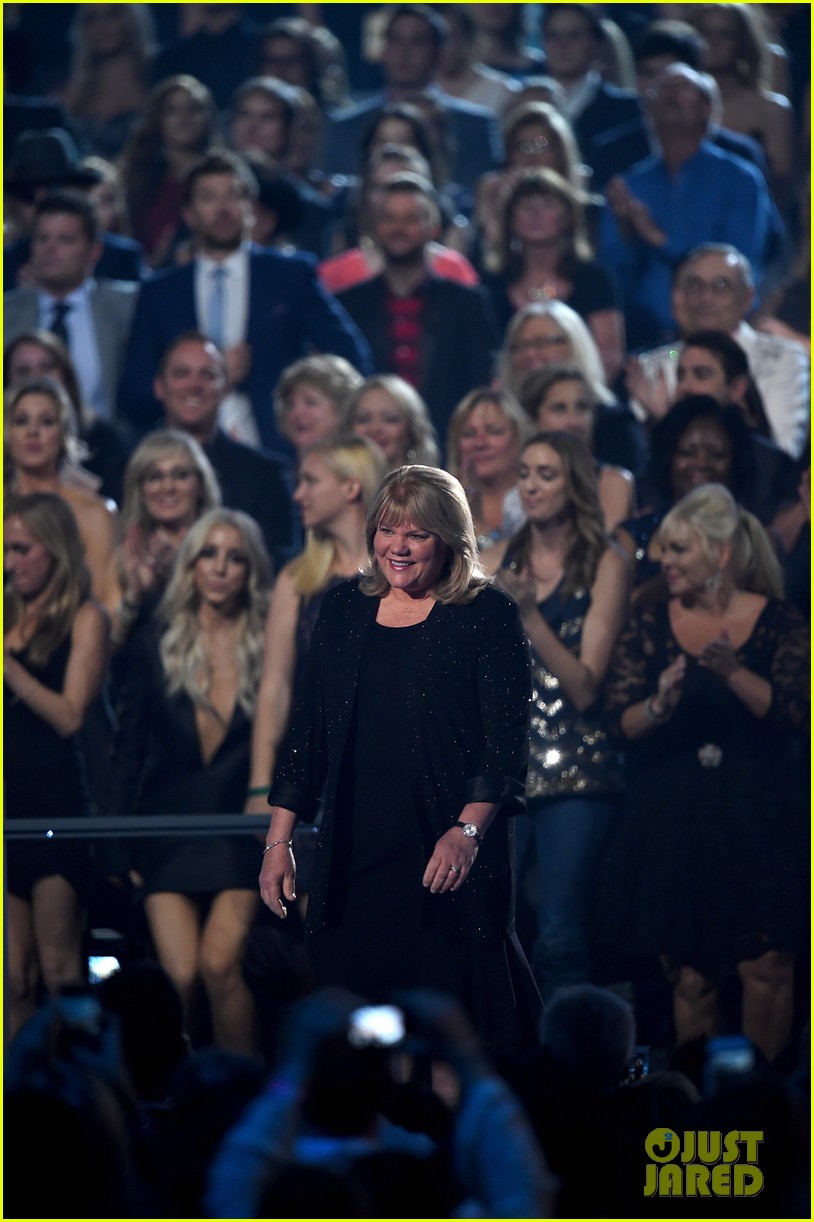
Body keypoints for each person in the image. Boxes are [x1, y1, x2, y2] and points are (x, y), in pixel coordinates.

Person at [259, 466, 534, 1051]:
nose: (398, 548)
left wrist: (466, 831)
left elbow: (505, 743)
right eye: (387, 531)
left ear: (449, 539)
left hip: (442, 856)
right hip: (355, 855)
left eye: (417, 534)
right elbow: (306, 733)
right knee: (357, 1038)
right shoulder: (342, 611)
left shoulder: (486, 615)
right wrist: (277, 842)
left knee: (445, 1038)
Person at [596, 483, 808, 1064]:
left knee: (767, 969)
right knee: (691, 976)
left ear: (720, 555)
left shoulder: (780, 622)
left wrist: (733, 671)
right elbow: (618, 721)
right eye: (664, 550)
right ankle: (699, 1107)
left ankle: (759, 1104)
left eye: (679, 550)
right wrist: (660, 707)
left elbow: (794, 714)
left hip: (758, 813)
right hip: (676, 814)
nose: (665, 562)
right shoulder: (649, 621)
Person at [109, 509, 271, 1054]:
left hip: (237, 832)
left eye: (235, 558)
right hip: (168, 830)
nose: (220, 569)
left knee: (219, 965)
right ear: (191, 564)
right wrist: (118, 843)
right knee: (177, 977)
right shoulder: (156, 642)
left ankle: (242, 1095)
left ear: (252, 571)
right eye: (209, 554)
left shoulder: (271, 643)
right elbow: (127, 751)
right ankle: (181, 1102)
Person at [492, 433, 629, 999]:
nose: (530, 484)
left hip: (579, 769)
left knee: (560, 935)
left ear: (574, 483)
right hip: (505, 772)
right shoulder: (500, 560)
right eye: (525, 472)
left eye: (546, 474)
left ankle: (571, 1073)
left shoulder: (606, 564)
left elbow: (586, 685)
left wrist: (527, 613)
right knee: (494, 929)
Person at [120, 149, 371, 451]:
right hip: (183, 453)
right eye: (209, 197)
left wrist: (311, 413)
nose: (223, 208)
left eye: (234, 196)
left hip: (276, 452)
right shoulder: (160, 292)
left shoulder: (290, 275)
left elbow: (350, 356)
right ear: (188, 213)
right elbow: (134, 394)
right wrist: (203, 379)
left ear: (251, 209)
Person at [4, 492, 110, 1040]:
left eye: (22, 549)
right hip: (8, 812)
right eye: (5, 550)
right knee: (13, 978)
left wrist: (8, 664)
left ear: (54, 550)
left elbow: (70, 715)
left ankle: (82, 1097)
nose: (8, 563)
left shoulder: (84, 617)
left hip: (56, 811)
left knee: (58, 969)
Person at [246, 437, 388, 816]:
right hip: (313, 764)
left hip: (387, 764)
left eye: (310, 481)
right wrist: (260, 783)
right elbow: (275, 685)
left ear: (351, 486)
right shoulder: (297, 579)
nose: (298, 494)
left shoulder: (397, 574)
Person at [600, 65, 775, 350]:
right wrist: (627, 234)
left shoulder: (740, 179)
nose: (670, 95)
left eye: (682, 88)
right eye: (660, 90)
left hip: (723, 340)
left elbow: (739, 263)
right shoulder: (629, 186)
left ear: (707, 108)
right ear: (647, 110)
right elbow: (613, 276)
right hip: (650, 342)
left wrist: (659, 238)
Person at [336, 174, 499, 450]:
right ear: (374, 228)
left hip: (449, 448)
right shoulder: (348, 305)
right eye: (388, 218)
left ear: (433, 228)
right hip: (368, 452)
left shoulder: (467, 303)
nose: (398, 228)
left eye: (411, 219)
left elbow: (482, 383)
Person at [626, 243, 809, 460]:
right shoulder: (656, 363)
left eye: (720, 286)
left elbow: (781, 453)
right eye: (694, 286)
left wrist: (667, 418)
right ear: (679, 296)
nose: (706, 297)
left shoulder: (782, 358)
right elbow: (637, 458)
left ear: (747, 298)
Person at [153, 331, 297, 574]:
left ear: (226, 388)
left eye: (207, 375)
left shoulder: (268, 476)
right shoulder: (122, 470)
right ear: (159, 387)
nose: (194, 386)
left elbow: (280, 566)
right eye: (181, 374)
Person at [319, 4, 503, 193]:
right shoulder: (345, 126)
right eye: (396, 40)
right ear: (383, 50)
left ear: (439, 53)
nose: (404, 52)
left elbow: (480, 192)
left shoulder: (475, 125)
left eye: (418, 41)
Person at [3, 189, 138, 422]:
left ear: (94, 251)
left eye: (65, 239)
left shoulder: (129, 308)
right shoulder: (7, 314)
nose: (50, 249)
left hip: (109, 450)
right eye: (42, 238)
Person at [481, 167, 624, 383]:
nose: (535, 214)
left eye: (547, 205)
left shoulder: (594, 278)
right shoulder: (492, 285)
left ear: (568, 218)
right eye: (526, 206)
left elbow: (609, 357)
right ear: (511, 220)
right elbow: (488, 360)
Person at [613, 394, 757, 597]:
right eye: (688, 453)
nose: (701, 463)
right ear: (669, 458)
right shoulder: (633, 537)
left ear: (735, 463)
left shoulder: (752, 535)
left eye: (716, 455)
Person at [496, 301, 647, 480]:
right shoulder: (502, 427)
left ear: (576, 344)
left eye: (545, 342)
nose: (531, 354)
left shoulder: (615, 424)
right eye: (521, 345)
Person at [102, 429, 221, 652]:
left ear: (200, 485)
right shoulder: (126, 556)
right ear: (140, 490)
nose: (168, 487)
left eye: (181, 475)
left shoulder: (223, 547)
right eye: (155, 477)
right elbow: (105, 649)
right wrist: (134, 594)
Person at [5, 378, 117, 602]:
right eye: (21, 421)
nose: (33, 431)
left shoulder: (95, 514)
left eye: (47, 422)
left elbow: (104, 603)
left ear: (64, 432)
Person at [4, 329, 132, 506]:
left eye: (46, 367)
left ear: (66, 375)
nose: (36, 378)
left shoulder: (104, 440)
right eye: (24, 371)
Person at [690, 3, 795, 207]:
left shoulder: (772, 110)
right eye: (703, 32)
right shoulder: (674, 106)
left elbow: (781, 190)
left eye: (724, 34)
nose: (711, 42)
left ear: (742, 41)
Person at [539, 4, 648, 190]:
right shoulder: (527, 104)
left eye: (573, 36)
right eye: (553, 36)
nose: (562, 46)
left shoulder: (628, 110)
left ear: (596, 43)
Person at [118, 74, 218, 269]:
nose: (184, 118)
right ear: (157, 119)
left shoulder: (226, 178)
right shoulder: (132, 178)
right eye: (172, 110)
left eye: (194, 108)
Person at [518, 366, 635, 531]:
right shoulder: (515, 485)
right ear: (533, 420)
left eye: (581, 407)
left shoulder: (613, 482)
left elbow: (603, 547)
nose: (573, 421)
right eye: (559, 408)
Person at [59, 3, 155, 161]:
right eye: (92, 18)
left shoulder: (154, 75)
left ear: (131, 19)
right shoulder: (76, 90)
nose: (101, 26)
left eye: (112, 14)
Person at [446, 388, 528, 554]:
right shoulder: (442, 505)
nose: (480, 443)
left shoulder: (536, 500)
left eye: (494, 431)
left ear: (519, 439)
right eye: (469, 434)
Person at [274, 354, 363, 462]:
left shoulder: (369, 474)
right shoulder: (278, 475)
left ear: (342, 407)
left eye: (310, 402)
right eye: (290, 405)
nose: (296, 412)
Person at [346, 374, 440, 471]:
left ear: (412, 430)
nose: (375, 428)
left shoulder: (431, 486)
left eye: (390, 419)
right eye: (363, 419)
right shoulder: (333, 485)